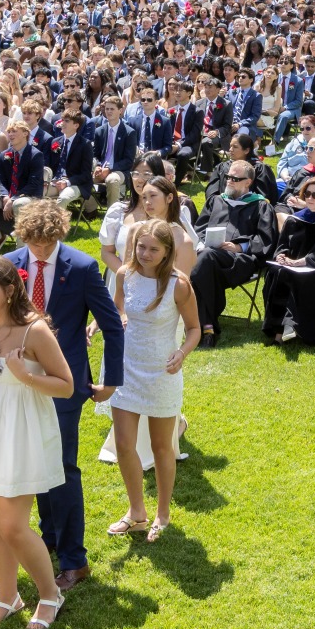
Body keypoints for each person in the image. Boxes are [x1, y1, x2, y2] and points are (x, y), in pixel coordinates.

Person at [7, 199, 122, 594]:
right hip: (17, 383)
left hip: (65, 383)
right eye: (33, 245)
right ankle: (50, 536)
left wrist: (111, 379)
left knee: (61, 468)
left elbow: (113, 325)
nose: (40, 251)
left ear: (60, 234)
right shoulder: (9, 265)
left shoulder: (84, 267)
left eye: (48, 244)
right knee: (33, 462)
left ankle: (75, 559)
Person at [0, 257, 69, 629]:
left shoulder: (35, 331)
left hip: (22, 432)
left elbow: (66, 385)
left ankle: (50, 594)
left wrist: (24, 375)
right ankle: (7, 596)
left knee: (12, 525)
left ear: (9, 290)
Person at [109, 219, 201, 538]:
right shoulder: (125, 275)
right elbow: (119, 309)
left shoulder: (179, 284)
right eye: (141, 247)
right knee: (123, 444)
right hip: (127, 371)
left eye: (153, 249)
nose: (145, 254)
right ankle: (137, 512)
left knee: (163, 447)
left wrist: (182, 353)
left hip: (163, 372)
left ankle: (163, 514)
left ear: (167, 252)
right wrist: (109, 322)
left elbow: (194, 329)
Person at [190, 159, 275, 345]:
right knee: (203, 261)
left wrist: (239, 247)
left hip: (240, 261)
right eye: (227, 177)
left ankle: (202, 326)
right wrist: (203, 243)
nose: (229, 181)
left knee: (201, 263)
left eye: (235, 178)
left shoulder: (261, 206)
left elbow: (266, 240)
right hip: (209, 257)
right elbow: (199, 229)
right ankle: (208, 329)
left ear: (248, 182)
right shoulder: (216, 201)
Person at [263, 174, 315, 346]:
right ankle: (279, 330)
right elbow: (283, 244)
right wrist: (282, 255)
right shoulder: (295, 219)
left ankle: (296, 328)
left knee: (304, 277)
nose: (310, 198)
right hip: (291, 266)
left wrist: (301, 262)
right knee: (276, 271)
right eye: (307, 193)